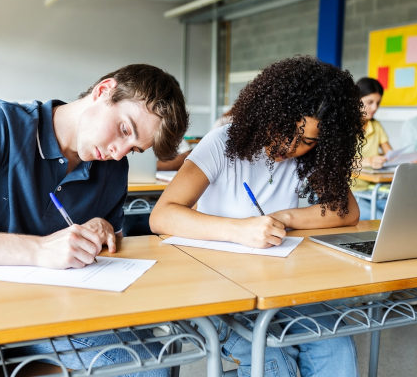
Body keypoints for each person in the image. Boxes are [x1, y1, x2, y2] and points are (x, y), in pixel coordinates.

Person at [0, 63, 188, 375]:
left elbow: (110, 250)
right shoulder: (0, 123)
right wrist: (40, 250)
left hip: (53, 311)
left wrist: (102, 232)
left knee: (154, 364)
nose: (119, 153)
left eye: (133, 149)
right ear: (103, 91)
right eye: (124, 130)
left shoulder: (113, 168)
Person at [150, 56, 363, 377]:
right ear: (268, 111)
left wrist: (284, 216)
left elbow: (346, 211)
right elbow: (162, 217)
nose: (289, 146)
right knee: (275, 363)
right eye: (285, 130)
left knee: (337, 347)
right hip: (221, 288)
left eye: (307, 141)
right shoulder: (222, 143)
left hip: (282, 286)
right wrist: (240, 230)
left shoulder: (314, 158)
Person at [353, 77, 392, 220]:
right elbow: (338, 162)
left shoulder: (375, 125)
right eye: (370, 102)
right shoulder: (343, 127)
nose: (375, 108)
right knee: (383, 221)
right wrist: (368, 161)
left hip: (373, 189)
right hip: (351, 192)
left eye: (378, 103)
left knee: (405, 215)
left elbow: (390, 154)